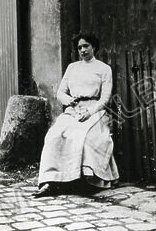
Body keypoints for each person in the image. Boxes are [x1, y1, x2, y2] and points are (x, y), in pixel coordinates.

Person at [33, 32, 119, 197]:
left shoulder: (103, 69)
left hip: (95, 110)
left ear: (94, 47)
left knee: (84, 136)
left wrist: (90, 112)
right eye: (79, 47)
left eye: (86, 46)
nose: (83, 50)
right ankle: (51, 180)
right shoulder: (72, 68)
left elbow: (105, 99)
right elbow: (60, 93)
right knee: (54, 135)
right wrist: (69, 101)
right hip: (73, 109)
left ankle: (86, 179)